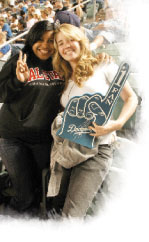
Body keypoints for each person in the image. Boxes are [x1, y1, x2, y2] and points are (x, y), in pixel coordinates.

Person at [47, 23, 138, 218]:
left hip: (97, 149)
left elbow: (131, 98)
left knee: (71, 216)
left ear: (81, 41)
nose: (66, 46)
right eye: (61, 43)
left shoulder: (104, 65)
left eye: (71, 39)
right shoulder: (65, 77)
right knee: (55, 208)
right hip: (69, 149)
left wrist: (118, 123)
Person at [0, 20, 64, 212]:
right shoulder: (20, 58)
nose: (45, 46)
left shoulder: (61, 64)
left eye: (51, 40)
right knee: (25, 195)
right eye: (40, 40)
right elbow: (1, 94)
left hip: (43, 138)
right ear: (32, 39)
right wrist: (19, 81)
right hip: (13, 137)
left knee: (38, 187)